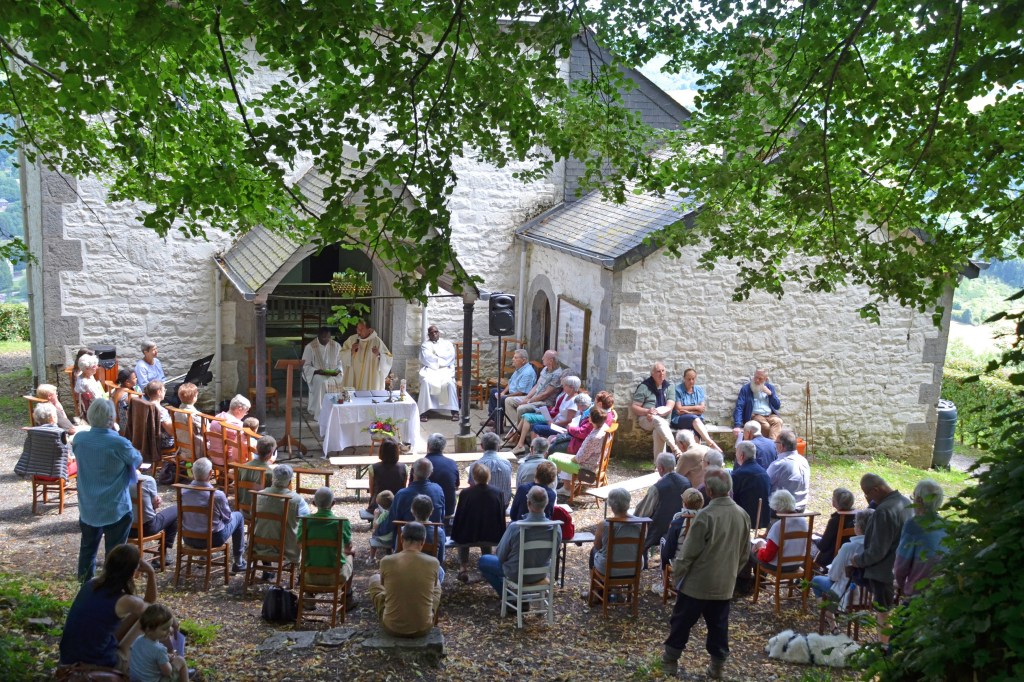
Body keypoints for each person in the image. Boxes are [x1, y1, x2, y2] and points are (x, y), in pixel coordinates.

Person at [661, 468, 750, 680]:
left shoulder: (706, 516)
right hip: (724, 584)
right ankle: (717, 667)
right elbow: (744, 554)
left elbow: (688, 553)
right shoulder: (742, 515)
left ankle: (670, 662)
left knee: (681, 623)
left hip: (697, 584)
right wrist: (731, 574)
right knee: (719, 627)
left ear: (708, 491)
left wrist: (677, 577)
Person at [59, 544, 163, 676]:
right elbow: (151, 606)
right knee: (146, 617)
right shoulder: (126, 601)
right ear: (132, 571)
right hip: (98, 663)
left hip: (67, 658)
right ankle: (138, 663)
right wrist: (151, 573)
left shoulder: (91, 583)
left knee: (137, 614)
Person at [72, 398, 143, 581]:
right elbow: (137, 460)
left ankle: (84, 586)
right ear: (111, 419)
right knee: (115, 553)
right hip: (115, 505)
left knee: (87, 549)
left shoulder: (79, 439)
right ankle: (111, 587)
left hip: (88, 504)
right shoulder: (119, 443)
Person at [849, 473, 912, 642]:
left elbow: (877, 551)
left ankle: (884, 648)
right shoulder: (906, 503)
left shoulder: (884, 511)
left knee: (883, 613)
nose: (867, 498)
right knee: (890, 612)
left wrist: (858, 560)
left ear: (876, 489)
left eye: (867, 493)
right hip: (902, 567)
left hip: (884, 572)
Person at [478, 486, 561, 608]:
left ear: (528, 503)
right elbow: (553, 553)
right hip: (541, 573)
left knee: (483, 561)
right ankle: (520, 598)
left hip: (515, 573)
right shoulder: (556, 528)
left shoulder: (516, 527)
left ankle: (512, 598)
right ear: (546, 503)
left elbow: (500, 556)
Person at [367, 522, 442, 637]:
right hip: (423, 628)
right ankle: (426, 615)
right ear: (423, 541)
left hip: (391, 627)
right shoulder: (433, 562)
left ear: (401, 539)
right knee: (437, 586)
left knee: (374, 579)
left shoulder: (386, 561)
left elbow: (384, 587)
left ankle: (390, 612)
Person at [810, 508, 874, 633]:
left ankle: (831, 623)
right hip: (871, 594)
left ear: (859, 527)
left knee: (816, 581)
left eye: (855, 522)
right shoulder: (880, 548)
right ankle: (831, 616)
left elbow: (833, 576)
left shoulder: (849, 547)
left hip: (849, 594)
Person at [181, 457, 247, 574]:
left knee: (199, 519)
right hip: (213, 539)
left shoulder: (183, 492)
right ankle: (238, 562)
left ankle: (203, 558)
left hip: (188, 538)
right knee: (238, 516)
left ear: (193, 472)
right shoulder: (217, 495)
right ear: (211, 473)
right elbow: (228, 518)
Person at [452, 463, 507, 582]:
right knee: (486, 528)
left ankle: (463, 567)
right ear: (489, 476)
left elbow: (460, 515)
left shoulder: (466, 493)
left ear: (474, 477)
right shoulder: (498, 492)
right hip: (492, 535)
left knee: (462, 533)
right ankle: (486, 566)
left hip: (469, 535)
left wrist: (455, 532)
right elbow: (501, 515)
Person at [894, 479, 947, 599]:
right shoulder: (946, 525)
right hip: (942, 589)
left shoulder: (913, 525)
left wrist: (901, 586)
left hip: (919, 592)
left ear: (919, 500)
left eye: (913, 498)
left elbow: (901, 566)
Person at [635, 452, 691, 562]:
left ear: (660, 468)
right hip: (680, 526)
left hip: (658, 529)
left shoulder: (658, 488)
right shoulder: (686, 482)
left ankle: (643, 563)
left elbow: (642, 512)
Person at [745, 491, 808, 586]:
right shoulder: (803, 522)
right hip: (797, 564)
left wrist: (759, 548)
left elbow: (767, 556)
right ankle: (758, 579)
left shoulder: (779, 526)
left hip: (778, 566)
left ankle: (748, 581)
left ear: (778, 507)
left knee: (749, 549)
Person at [253, 464, 311, 566]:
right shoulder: (296, 500)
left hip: (259, 546)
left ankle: (266, 564)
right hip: (286, 549)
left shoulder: (258, 495)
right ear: (289, 482)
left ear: (272, 478)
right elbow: (307, 519)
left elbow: (251, 516)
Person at [300, 487, 353, 594]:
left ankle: (309, 595)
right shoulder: (342, 522)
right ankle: (347, 595)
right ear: (333, 503)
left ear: (314, 503)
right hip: (335, 576)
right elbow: (348, 547)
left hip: (309, 575)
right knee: (351, 554)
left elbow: (300, 545)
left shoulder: (305, 521)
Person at [510, 375, 582, 454]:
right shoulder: (566, 396)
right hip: (555, 422)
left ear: (571, 387)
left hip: (561, 427)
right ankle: (529, 448)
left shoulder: (573, 401)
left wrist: (554, 423)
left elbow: (569, 420)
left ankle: (534, 452)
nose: (563, 387)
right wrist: (551, 420)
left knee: (536, 428)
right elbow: (559, 412)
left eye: (565, 386)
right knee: (534, 424)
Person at [631, 362, 684, 462]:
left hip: (662, 419)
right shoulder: (644, 387)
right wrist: (647, 411)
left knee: (657, 431)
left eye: (663, 371)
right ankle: (675, 449)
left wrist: (655, 413)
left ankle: (658, 466)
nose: (661, 374)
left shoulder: (669, 387)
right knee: (657, 420)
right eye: (658, 371)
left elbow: (670, 407)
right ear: (652, 374)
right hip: (646, 419)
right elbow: (634, 407)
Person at [383, 458, 446, 541]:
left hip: (407, 541)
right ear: (430, 473)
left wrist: (378, 531)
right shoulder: (438, 490)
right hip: (433, 539)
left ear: (412, 471)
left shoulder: (402, 494)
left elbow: (392, 520)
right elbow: (442, 515)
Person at [550, 407, 608, 497]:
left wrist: (571, 458)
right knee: (557, 455)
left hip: (586, 466)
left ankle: (563, 488)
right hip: (595, 462)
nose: (588, 417)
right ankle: (565, 484)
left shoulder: (594, 437)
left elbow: (579, 459)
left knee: (552, 458)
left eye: (589, 416)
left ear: (591, 419)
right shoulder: (605, 427)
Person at [590, 487, 644, 584]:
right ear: (628, 502)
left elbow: (597, 546)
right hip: (635, 567)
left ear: (611, 505)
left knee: (593, 551)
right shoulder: (641, 524)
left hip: (608, 569)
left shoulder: (604, 525)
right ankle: (622, 589)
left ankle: (597, 589)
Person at [130, 465, 178, 570]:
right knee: (177, 510)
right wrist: (156, 502)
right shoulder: (147, 480)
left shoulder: (116, 480)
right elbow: (155, 505)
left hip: (123, 529)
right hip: (146, 527)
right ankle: (162, 552)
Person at [15, 402, 77, 481]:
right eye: (55, 415)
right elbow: (68, 460)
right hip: (57, 473)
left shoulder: (33, 432)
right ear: (52, 418)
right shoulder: (59, 433)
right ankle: (81, 486)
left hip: (37, 473)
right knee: (82, 462)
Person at [129, 603, 189, 682]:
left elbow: (146, 655)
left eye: (170, 626)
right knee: (180, 660)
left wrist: (165, 657)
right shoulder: (159, 650)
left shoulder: (138, 640)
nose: (169, 630)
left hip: (136, 679)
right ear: (149, 630)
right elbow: (167, 672)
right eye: (164, 629)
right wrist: (167, 660)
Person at [671, 368, 723, 452]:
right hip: (680, 419)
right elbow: (679, 409)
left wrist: (688, 412)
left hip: (695, 420)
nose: (691, 381)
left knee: (696, 431)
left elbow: (701, 409)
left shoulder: (699, 390)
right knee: (695, 419)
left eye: (693, 379)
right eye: (689, 379)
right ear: (684, 378)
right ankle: (710, 443)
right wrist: (696, 408)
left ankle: (697, 455)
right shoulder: (678, 390)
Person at [483, 348, 536, 427]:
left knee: (502, 399)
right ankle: (493, 419)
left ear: (523, 360)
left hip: (521, 396)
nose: (513, 359)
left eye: (515, 358)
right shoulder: (519, 369)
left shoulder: (527, 373)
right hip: (513, 392)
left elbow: (521, 392)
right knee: (493, 391)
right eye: (513, 357)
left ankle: (498, 426)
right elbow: (511, 383)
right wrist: (503, 392)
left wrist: (506, 396)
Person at [301, 326, 344, 421]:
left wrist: (338, 370)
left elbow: (341, 362)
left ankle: (338, 412)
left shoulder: (336, 345)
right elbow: (305, 365)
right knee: (322, 382)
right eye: (324, 337)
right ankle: (320, 414)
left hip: (333, 374)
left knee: (343, 380)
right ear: (318, 336)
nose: (326, 340)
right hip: (318, 374)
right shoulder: (310, 347)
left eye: (328, 337)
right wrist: (317, 371)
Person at [417, 325, 459, 421]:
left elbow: (450, 356)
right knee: (426, 382)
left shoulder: (447, 343)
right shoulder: (425, 345)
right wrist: (441, 358)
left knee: (449, 383)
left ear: (438, 332)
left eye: (435, 332)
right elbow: (427, 358)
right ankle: (423, 412)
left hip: (445, 369)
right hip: (431, 369)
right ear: (428, 335)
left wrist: (437, 356)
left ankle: (454, 411)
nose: (434, 334)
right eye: (431, 333)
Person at [507, 349, 564, 420]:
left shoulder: (557, 375)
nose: (542, 358)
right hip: (535, 397)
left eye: (544, 357)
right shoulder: (545, 369)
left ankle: (518, 426)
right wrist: (527, 397)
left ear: (551, 360)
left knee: (521, 408)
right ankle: (513, 424)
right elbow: (537, 385)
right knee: (509, 400)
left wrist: (529, 401)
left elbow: (545, 394)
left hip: (544, 402)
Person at [340, 319, 393, 391]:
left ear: (369, 330)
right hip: (353, 374)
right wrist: (351, 351)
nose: (358, 332)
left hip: (369, 377)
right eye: (357, 329)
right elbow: (341, 354)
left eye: (361, 329)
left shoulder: (377, 342)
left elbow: (389, 358)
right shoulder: (352, 339)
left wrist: (379, 354)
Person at [730, 441, 771, 532]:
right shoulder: (764, 472)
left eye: (736, 454)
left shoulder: (738, 475)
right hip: (763, 519)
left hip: (744, 520)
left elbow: (730, 499)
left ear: (742, 456)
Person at [732, 368, 782, 441]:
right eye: (755, 377)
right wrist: (737, 425)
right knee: (766, 427)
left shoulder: (770, 388)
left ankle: (772, 444)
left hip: (770, 415)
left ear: (765, 379)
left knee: (778, 421)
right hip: (755, 415)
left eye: (760, 379)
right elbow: (739, 407)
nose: (757, 380)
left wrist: (771, 394)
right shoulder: (746, 389)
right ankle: (772, 445)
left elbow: (777, 406)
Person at [766, 430, 810, 512]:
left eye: (776, 443)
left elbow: (764, 484)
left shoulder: (779, 464)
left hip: (782, 509)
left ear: (781, 446)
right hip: (801, 507)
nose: (775, 445)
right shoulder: (803, 460)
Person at [660, 488, 705, 568]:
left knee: (663, 540)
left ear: (684, 504)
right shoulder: (706, 521)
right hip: (702, 565)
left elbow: (669, 553)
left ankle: (664, 572)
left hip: (681, 565)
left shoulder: (677, 523)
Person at [814, 487, 857, 569]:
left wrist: (815, 540)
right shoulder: (857, 517)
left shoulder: (836, 520)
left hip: (831, 558)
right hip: (851, 557)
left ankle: (808, 574)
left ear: (835, 503)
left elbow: (823, 546)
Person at [237, 435, 278, 518]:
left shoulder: (242, 467)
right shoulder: (269, 473)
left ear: (256, 448)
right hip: (258, 513)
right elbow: (270, 496)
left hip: (242, 510)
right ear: (271, 453)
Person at [205, 394, 250, 465]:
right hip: (227, 460)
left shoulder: (217, 417)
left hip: (213, 456)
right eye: (246, 412)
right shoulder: (237, 425)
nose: (245, 414)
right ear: (239, 410)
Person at [424, 433, 459, 524]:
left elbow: (412, 485)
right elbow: (456, 486)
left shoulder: (420, 463)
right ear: (443, 447)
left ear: (428, 445)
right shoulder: (452, 463)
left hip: (423, 513)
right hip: (448, 510)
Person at [367, 437, 408, 514]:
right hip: (397, 505)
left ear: (381, 451)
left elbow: (372, 492)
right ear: (396, 451)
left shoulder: (373, 468)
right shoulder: (404, 468)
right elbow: (403, 487)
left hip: (377, 505)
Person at [475, 432, 513, 508]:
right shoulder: (507, 463)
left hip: (483, 506)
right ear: (498, 446)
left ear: (481, 446)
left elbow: (472, 488)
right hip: (503, 504)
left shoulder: (476, 465)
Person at [143, 381, 175, 450]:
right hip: (163, 443)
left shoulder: (144, 405)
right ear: (159, 392)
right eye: (164, 390)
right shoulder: (161, 410)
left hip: (147, 441)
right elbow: (171, 431)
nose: (165, 392)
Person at [369, 490, 395, 563]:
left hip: (383, 539)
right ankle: (389, 554)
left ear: (381, 506)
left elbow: (375, 525)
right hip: (392, 537)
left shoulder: (384, 514)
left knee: (374, 534)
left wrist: (375, 516)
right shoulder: (394, 512)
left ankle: (372, 558)